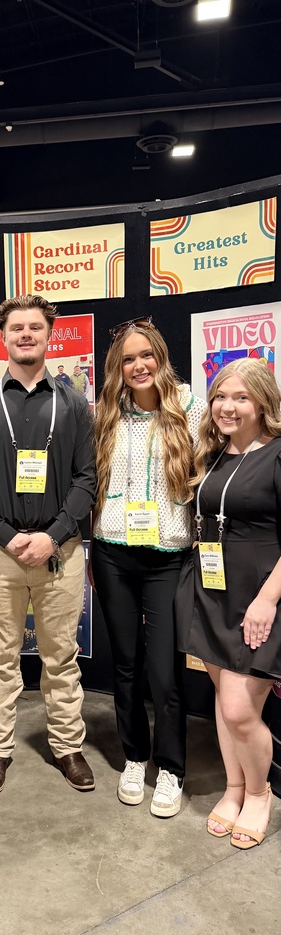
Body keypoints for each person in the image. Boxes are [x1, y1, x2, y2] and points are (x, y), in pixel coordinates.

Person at [0, 295, 96, 795]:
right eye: (17, 328)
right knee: (0, 656)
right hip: (0, 552)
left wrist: (51, 536)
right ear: (3, 335)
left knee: (62, 656)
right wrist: (12, 537)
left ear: (49, 335)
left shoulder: (75, 404)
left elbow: (86, 479)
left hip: (61, 549)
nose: (26, 335)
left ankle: (67, 745)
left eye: (36, 328)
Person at [91, 316, 205, 817]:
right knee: (125, 665)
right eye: (128, 359)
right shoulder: (104, 416)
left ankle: (172, 767)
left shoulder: (193, 409)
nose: (138, 366)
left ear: (160, 356)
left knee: (164, 670)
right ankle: (135, 755)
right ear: (118, 367)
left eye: (146, 355)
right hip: (113, 551)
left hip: (168, 558)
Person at [176, 357, 280, 848]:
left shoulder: (277, 454)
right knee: (223, 699)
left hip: (261, 597)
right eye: (220, 395)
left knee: (240, 709)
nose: (228, 406)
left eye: (241, 397)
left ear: (263, 403)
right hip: (211, 591)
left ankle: (260, 794)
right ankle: (234, 787)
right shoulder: (213, 456)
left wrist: (266, 601)